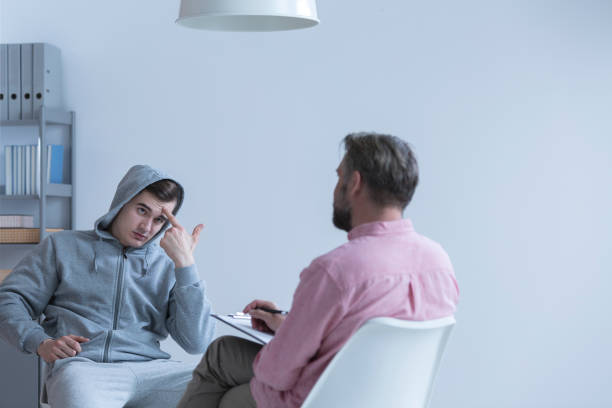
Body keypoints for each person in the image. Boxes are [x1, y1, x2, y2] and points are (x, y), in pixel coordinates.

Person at [177, 132, 460, 408]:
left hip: (316, 400)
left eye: (339, 177)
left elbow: (277, 373)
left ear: (355, 183)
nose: (335, 188)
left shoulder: (335, 271)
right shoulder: (439, 263)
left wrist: (289, 340)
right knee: (228, 363)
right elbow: (366, 345)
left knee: (224, 372)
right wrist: (292, 326)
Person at [0, 164, 215, 408]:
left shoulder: (169, 264)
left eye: (160, 220)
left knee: (222, 388)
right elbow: (9, 300)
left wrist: (185, 264)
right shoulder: (62, 247)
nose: (146, 227)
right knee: (78, 395)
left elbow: (196, 342)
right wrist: (40, 341)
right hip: (84, 369)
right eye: (142, 210)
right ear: (121, 203)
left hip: (153, 371)